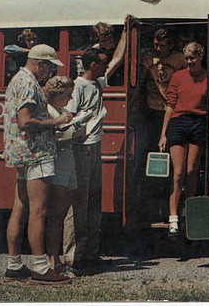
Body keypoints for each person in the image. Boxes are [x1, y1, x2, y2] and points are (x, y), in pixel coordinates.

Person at [2, 44, 72, 284]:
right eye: (50, 66)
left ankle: (13, 265)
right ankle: (41, 268)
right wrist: (55, 122)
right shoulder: (30, 84)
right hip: (36, 154)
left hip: (20, 152)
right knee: (39, 211)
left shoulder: (16, 80)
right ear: (40, 63)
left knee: (19, 209)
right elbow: (25, 121)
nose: (50, 72)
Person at [63, 36, 126, 271]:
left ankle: (90, 253)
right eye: (101, 64)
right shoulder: (78, 86)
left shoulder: (97, 84)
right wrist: (80, 129)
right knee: (78, 202)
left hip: (94, 146)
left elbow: (117, 60)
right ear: (92, 65)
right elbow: (68, 117)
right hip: (82, 147)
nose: (105, 67)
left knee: (93, 201)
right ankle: (72, 256)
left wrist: (126, 34)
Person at [157, 42, 209, 236]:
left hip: (198, 123)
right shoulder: (178, 76)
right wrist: (163, 134)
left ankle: (189, 212)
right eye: (186, 59)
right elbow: (170, 105)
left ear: (200, 56)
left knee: (191, 170)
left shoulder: (208, 77)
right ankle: (173, 220)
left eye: (192, 58)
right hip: (178, 123)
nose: (188, 62)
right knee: (178, 173)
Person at [43, 76, 85, 279]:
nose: (69, 99)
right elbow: (49, 140)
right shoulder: (49, 112)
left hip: (68, 160)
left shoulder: (61, 112)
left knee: (61, 214)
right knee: (56, 216)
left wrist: (78, 135)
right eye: (67, 95)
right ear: (57, 93)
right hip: (58, 161)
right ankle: (53, 261)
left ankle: (56, 260)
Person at [137, 28, 187, 167]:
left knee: (171, 147)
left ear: (171, 45)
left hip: (172, 109)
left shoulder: (180, 59)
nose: (158, 49)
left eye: (162, 46)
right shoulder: (148, 58)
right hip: (152, 108)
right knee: (151, 146)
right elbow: (138, 81)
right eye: (155, 45)